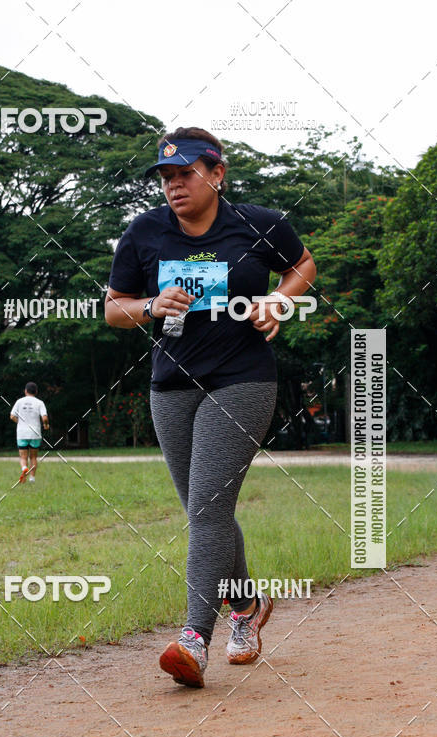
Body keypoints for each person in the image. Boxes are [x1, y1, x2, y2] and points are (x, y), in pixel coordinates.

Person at [105, 127, 316, 688]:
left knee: (205, 511)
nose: (175, 186)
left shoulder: (258, 222)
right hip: (171, 386)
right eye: (167, 178)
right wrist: (149, 305)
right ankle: (246, 607)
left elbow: (303, 265)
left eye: (186, 174)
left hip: (242, 379)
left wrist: (278, 299)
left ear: (216, 174)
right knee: (207, 512)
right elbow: (113, 310)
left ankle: (195, 638)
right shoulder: (144, 232)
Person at [9, 382, 49, 483]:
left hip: (22, 433)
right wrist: (46, 425)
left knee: (23, 457)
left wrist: (20, 422)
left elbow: (12, 416)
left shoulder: (19, 401)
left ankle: (24, 469)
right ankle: (32, 478)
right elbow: (44, 417)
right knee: (33, 457)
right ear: (36, 391)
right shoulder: (39, 403)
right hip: (35, 433)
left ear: (25, 391)